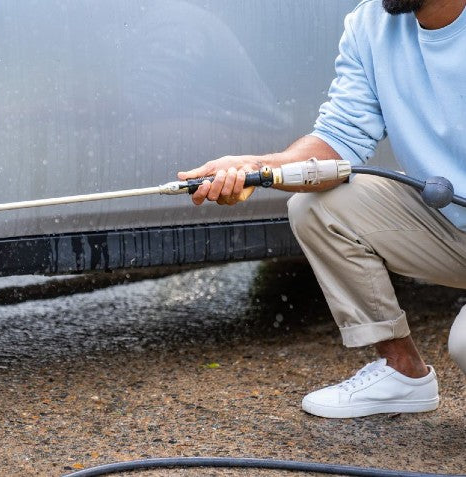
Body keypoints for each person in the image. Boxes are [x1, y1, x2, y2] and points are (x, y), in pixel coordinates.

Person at [178, 0, 466, 418]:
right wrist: (255, 169)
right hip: (450, 225)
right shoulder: (370, 25)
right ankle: (402, 373)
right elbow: (338, 138)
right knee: (319, 206)